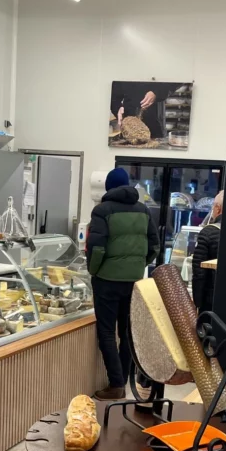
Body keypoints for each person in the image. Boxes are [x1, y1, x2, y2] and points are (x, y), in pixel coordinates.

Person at [87, 168, 160, 400]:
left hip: (107, 281)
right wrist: (139, 266)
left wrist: (94, 270)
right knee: (127, 333)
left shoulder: (102, 210)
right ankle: (125, 381)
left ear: (109, 187)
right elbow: (155, 246)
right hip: (134, 281)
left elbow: (97, 248)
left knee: (107, 333)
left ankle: (116, 384)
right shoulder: (144, 210)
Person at [192, 191, 223, 312]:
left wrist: (197, 302)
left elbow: (199, 271)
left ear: (217, 208)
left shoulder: (208, 232)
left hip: (211, 299)